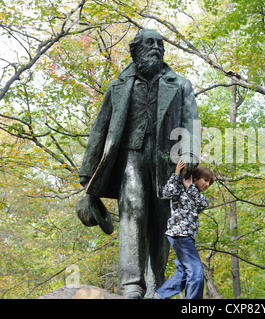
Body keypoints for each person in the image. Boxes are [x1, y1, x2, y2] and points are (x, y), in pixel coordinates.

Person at [77, 29, 201, 299]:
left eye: (160, 44)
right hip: (130, 157)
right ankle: (131, 285)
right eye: (149, 43)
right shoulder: (118, 86)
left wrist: (191, 153)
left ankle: (156, 281)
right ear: (135, 50)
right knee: (132, 212)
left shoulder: (180, 85)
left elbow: (192, 122)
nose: (156, 47)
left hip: (168, 162)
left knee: (162, 219)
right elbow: (100, 130)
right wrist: (87, 174)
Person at [152, 160, 214, 299]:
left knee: (184, 272)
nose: (207, 184)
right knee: (196, 272)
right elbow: (167, 191)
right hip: (179, 235)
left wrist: (191, 187)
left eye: (209, 183)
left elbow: (203, 204)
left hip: (188, 237)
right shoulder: (179, 189)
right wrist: (176, 173)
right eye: (205, 180)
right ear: (195, 178)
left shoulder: (196, 195)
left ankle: (160, 295)